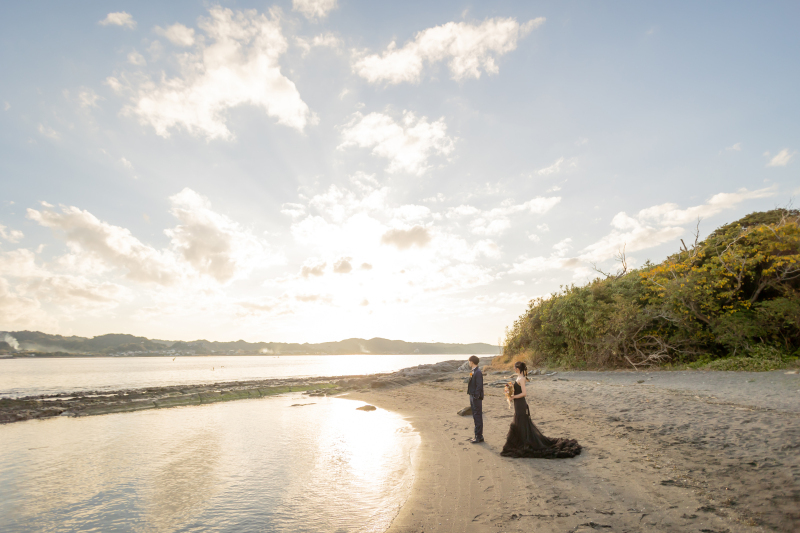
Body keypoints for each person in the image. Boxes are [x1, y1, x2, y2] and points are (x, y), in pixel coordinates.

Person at [501, 361, 581, 458]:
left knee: (521, 421)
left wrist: (513, 397)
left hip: (521, 403)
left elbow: (524, 393)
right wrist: (510, 392)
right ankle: (521, 441)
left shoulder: (522, 378)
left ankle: (524, 442)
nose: (513, 368)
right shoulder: (518, 377)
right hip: (517, 403)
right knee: (520, 421)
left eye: (514, 367)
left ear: (517, 368)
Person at [466, 355, 484, 443]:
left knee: (477, 416)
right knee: (475, 415)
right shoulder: (473, 371)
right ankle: (477, 435)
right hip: (472, 395)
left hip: (476, 397)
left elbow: (479, 386)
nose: (469, 363)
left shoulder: (478, 372)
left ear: (472, 362)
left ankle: (479, 436)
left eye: (469, 361)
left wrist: (476, 396)